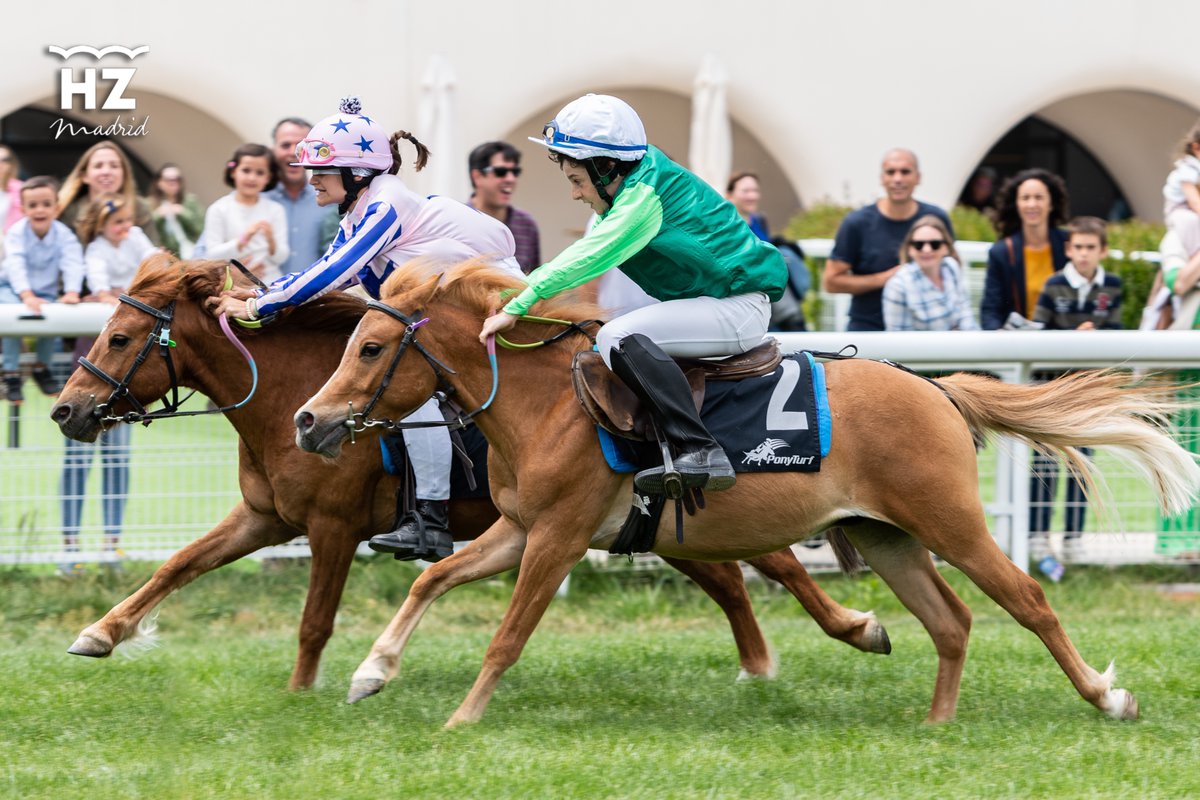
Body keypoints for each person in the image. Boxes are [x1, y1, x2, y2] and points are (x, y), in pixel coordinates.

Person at [208, 97, 521, 562]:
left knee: (410, 394)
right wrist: (265, 294)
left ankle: (431, 520)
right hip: (448, 312)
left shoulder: (387, 202)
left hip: (488, 310)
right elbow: (329, 270)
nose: (311, 179)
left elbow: (336, 273)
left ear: (357, 172)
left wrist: (258, 305)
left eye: (322, 170)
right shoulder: (359, 209)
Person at [478, 93, 787, 496]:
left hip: (736, 308)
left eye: (576, 180)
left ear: (606, 167)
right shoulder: (640, 181)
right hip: (715, 304)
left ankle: (699, 449)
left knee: (615, 337)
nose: (574, 194)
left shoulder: (643, 199)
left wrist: (517, 304)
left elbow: (586, 258)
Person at [61, 196, 158, 556]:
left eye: (128, 221)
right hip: (99, 350)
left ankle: (111, 544)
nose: (125, 228)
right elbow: (102, 287)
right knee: (77, 456)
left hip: (127, 351)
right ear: (101, 226)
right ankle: (70, 545)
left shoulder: (135, 238)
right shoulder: (97, 250)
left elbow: (156, 262)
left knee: (118, 456)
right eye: (117, 223)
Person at [1025, 216, 1122, 563]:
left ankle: (1073, 538)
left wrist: (1097, 339)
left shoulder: (1112, 285)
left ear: (1103, 251)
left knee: (1083, 466)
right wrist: (1070, 340)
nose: (1083, 254)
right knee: (1045, 463)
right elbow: (1038, 334)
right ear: (1069, 249)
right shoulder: (1053, 285)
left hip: (1087, 395)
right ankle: (1036, 535)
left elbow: (1118, 331)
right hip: (1052, 391)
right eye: (1078, 247)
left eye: (1090, 248)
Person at [823, 149, 953, 331]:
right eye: (891, 172)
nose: (897, 179)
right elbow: (831, 282)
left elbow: (952, 268)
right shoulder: (857, 222)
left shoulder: (936, 217)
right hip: (869, 328)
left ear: (918, 177)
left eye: (905, 172)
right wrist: (888, 278)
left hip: (927, 328)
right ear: (882, 178)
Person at [0, 176, 83, 402]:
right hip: (11, 288)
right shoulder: (17, 232)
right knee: (14, 319)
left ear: (56, 208)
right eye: (33, 205)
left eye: (46, 204)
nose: (40, 210)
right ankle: (11, 373)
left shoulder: (63, 234)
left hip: (44, 292)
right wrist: (26, 294)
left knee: (50, 321)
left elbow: (73, 262)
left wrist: (72, 291)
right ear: (24, 209)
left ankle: (41, 367)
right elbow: (14, 264)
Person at [979, 168, 1070, 330]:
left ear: (1051, 204)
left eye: (1039, 197)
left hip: (1063, 340)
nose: (1032, 204)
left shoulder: (1068, 244)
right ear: (1017, 205)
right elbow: (990, 310)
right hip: (1018, 344)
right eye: (1025, 198)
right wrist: (997, 337)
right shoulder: (1001, 252)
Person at [203, 143, 290, 282]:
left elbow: (282, 257)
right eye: (246, 170)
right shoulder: (219, 209)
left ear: (268, 178)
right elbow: (212, 255)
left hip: (272, 284)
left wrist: (271, 240)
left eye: (260, 172)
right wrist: (244, 238)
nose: (252, 178)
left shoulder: (275, 210)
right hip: (233, 285)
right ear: (233, 172)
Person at [267, 117, 340, 275]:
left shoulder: (332, 200)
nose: (294, 152)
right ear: (273, 151)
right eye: (285, 145)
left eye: (302, 145)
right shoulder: (254, 199)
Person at [882, 215, 978, 331]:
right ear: (910, 249)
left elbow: (966, 315)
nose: (926, 250)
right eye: (919, 245)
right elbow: (899, 342)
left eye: (935, 244)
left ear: (946, 248)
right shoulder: (898, 286)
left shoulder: (951, 267)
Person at [57, 142, 158, 246]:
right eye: (98, 166)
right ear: (84, 176)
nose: (106, 172)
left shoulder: (140, 208)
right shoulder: (69, 212)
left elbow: (153, 255)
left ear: (124, 174)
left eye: (114, 166)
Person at [467, 141, 541, 273]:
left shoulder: (526, 224)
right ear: (477, 176)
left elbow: (534, 281)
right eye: (501, 172)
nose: (511, 179)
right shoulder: (458, 220)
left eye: (515, 172)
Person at [1162, 120, 1200, 259]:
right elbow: (1194, 201)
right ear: (1196, 148)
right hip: (1178, 209)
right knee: (1192, 223)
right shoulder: (1188, 168)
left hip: (1191, 210)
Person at [148, 163, 204, 258]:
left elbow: (201, 229)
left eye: (177, 179)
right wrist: (158, 215)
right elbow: (146, 232)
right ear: (159, 183)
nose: (173, 183)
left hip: (192, 252)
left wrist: (183, 213)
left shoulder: (190, 201)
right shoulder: (150, 204)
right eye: (168, 180)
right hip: (164, 256)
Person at [726, 171, 770, 240]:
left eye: (755, 190)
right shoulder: (726, 225)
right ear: (729, 195)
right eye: (746, 191)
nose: (753, 196)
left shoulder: (760, 220)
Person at [0, 145, 23, 235]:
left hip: (12, 242)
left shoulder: (21, 189)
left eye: (5, 160)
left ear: (11, 164)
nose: (0, 163)